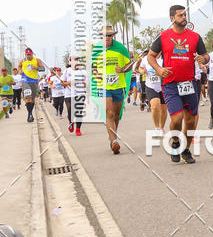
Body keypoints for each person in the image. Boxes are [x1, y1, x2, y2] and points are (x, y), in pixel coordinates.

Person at [147, 5, 209, 164]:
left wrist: (203, 59)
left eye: (185, 14)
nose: (184, 17)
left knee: (190, 121)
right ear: (172, 18)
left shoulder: (195, 37)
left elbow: (205, 55)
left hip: (189, 84)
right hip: (171, 84)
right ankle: (175, 142)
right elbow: (151, 56)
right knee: (177, 118)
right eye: (180, 15)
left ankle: (185, 150)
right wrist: (159, 69)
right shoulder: (163, 36)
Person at [91, 26, 134, 154]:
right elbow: (93, 67)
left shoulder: (120, 48)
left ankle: (112, 137)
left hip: (118, 86)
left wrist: (122, 69)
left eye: (109, 35)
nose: (107, 38)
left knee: (116, 115)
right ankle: (115, 141)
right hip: (103, 87)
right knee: (109, 113)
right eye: (105, 35)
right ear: (101, 36)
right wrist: (96, 74)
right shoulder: (96, 50)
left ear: (112, 36)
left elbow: (130, 64)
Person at [140, 49, 167, 136]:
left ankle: (162, 127)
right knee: (155, 105)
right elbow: (140, 68)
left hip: (163, 86)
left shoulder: (165, 58)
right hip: (151, 86)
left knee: (163, 108)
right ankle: (157, 127)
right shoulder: (146, 58)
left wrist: (161, 73)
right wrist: (142, 71)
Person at [19, 47, 46, 122]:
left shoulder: (37, 60)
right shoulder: (23, 60)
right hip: (25, 81)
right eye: (27, 55)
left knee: (32, 99)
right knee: (28, 98)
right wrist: (20, 70)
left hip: (34, 81)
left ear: (32, 54)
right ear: (25, 54)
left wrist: (36, 67)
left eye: (30, 55)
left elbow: (43, 69)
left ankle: (30, 114)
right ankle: (30, 114)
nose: (29, 56)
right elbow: (19, 66)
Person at [62, 60, 87, 135]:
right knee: (70, 112)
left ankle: (78, 129)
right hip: (69, 94)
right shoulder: (67, 71)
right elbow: (62, 83)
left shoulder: (83, 72)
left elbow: (86, 83)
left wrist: (80, 82)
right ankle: (71, 122)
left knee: (79, 112)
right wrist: (69, 83)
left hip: (80, 93)